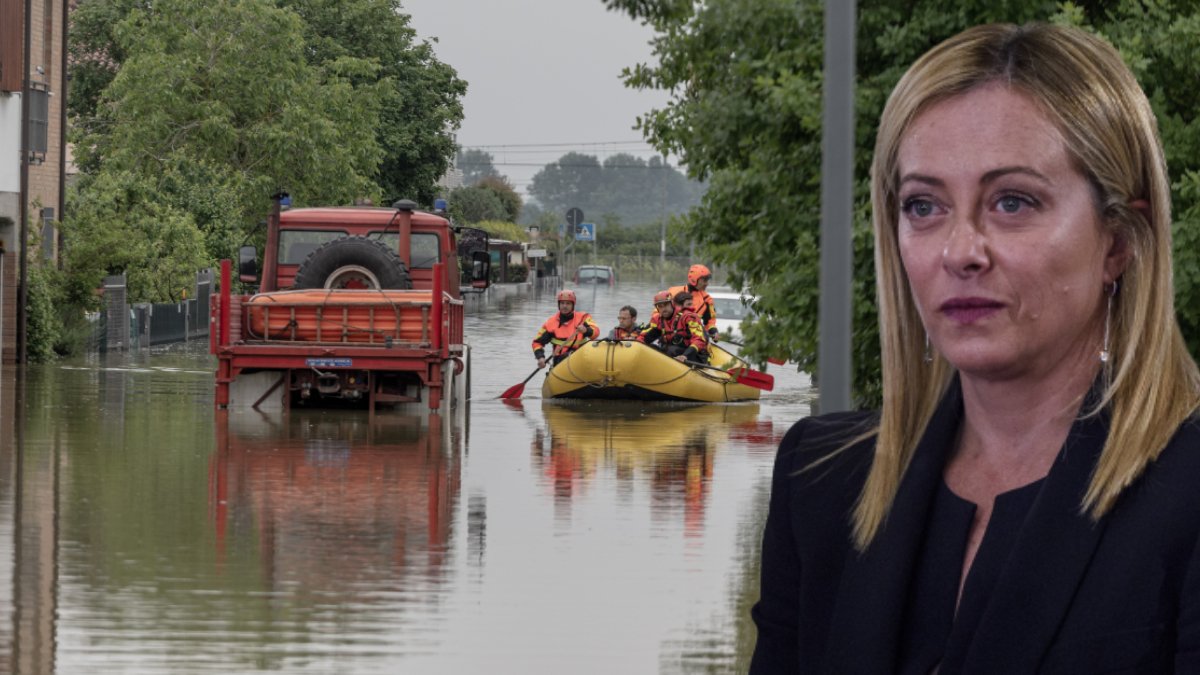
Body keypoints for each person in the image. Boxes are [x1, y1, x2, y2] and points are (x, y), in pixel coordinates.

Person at [751, 23, 1200, 674]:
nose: (960, 251)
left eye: (1012, 201)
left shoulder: (1187, 490)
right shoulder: (820, 479)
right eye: (924, 206)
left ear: (1119, 241)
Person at [532, 289, 598, 369]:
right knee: (565, 358)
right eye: (562, 303)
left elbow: (596, 333)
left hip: (581, 360)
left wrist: (586, 330)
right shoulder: (551, 323)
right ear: (559, 305)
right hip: (560, 363)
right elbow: (537, 343)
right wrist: (540, 357)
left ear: (573, 305)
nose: (564, 306)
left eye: (568, 303)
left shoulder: (583, 318)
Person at [639, 290, 709, 364]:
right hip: (671, 354)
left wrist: (685, 356)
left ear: (672, 304)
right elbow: (642, 337)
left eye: (666, 304)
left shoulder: (688, 317)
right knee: (651, 348)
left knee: (672, 350)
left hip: (693, 355)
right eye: (660, 306)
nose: (663, 309)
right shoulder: (657, 320)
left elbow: (699, 340)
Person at [670, 264, 719, 341]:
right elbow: (659, 314)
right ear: (694, 280)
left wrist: (714, 331)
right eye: (704, 280)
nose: (707, 283)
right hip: (671, 333)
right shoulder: (673, 292)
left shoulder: (707, 300)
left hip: (691, 338)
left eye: (707, 280)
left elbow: (710, 322)